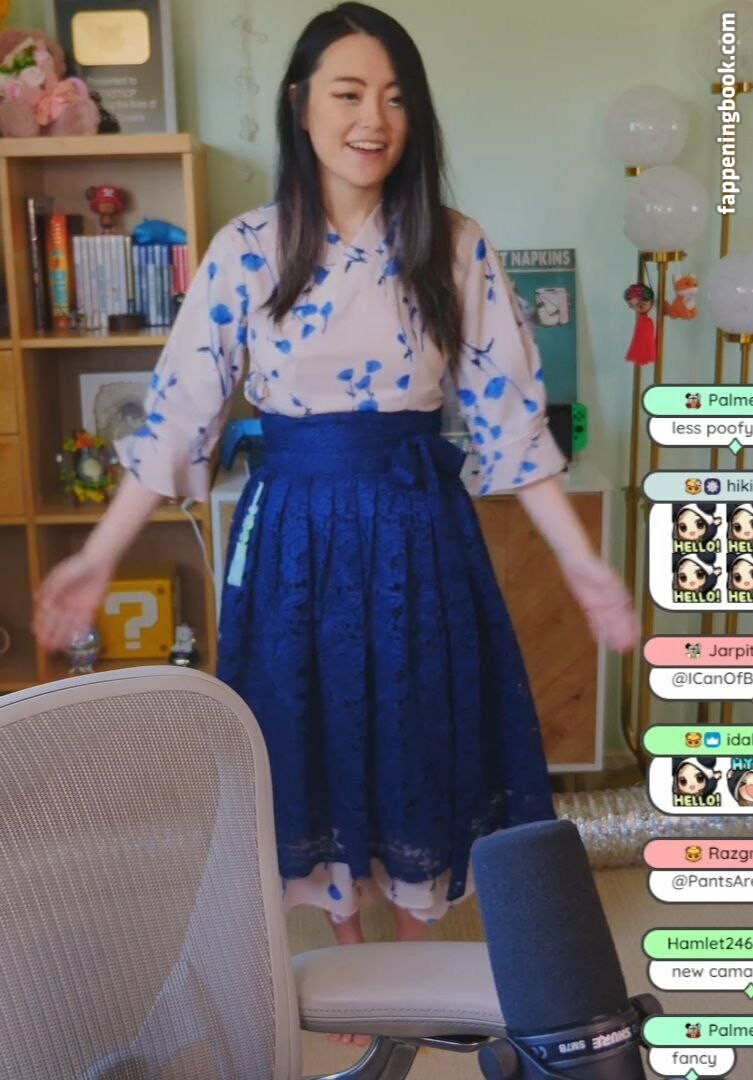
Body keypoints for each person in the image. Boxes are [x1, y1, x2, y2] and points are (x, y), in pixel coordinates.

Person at [34, 0, 639, 1032]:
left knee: (418, 732)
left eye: (396, 98)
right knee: (302, 728)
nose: (374, 119)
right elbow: (179, 412)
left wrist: (581, 565)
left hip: (418, 535)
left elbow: (509, 416)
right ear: (299, 105)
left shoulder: (453, 245)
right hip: (293, 542)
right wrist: (97, 556)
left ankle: (412, 946)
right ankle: (348, 948)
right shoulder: (247, 248)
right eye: (349, 93)